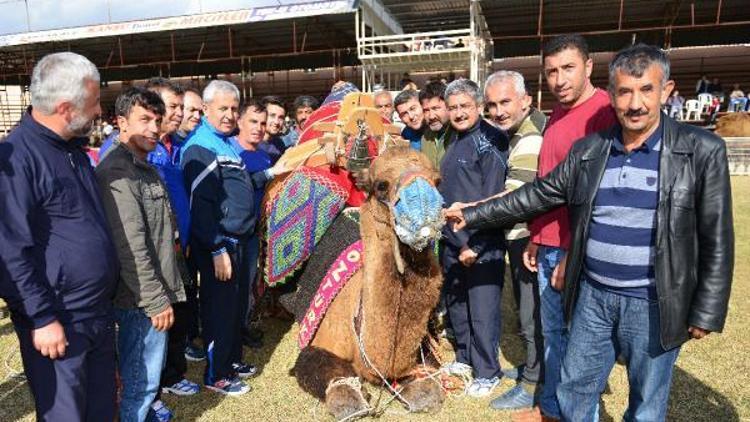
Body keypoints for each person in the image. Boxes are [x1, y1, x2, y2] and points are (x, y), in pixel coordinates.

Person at [447, 43, 734, 422]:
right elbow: (539, 193)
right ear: (611, 94)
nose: (634, 104)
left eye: (646, 90)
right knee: (575, 389)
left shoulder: (701, 149)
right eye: (625, 92)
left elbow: (716, 237)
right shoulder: (590, 149)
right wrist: (475, 212)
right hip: (593, 296)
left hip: (653, 300)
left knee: (647, 403)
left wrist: (708, 309)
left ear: (666, 91)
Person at [0, 52, 119, 422]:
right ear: (67, 108)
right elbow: (9, 249)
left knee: (101, 410)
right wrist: (41, 318)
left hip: (95, 313)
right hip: (59, 321)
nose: (100, 110)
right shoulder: (18, 159)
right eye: (95, 101)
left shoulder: (73, 152)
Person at [518, 34, 617, 420]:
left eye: (568, 68)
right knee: (554, 334)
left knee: (582, 345)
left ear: (589, 66)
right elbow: (549, 183)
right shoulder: (558, 111)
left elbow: (601, 196)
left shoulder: (603, 113)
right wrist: (536, 235)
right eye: (551, 71)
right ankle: (554, 408)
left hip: (576, 250)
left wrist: (573, 253)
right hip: (549, 243)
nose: (559, 79)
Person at [97, 87, 187, 422]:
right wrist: (155, 300)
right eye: (144, 120)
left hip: (151, 293)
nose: (153, 128)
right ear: (121, 122)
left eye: (157, 120)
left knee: (145, 382)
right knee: (140, 383)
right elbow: (130, 245)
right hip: (139, 300)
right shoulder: (117, 172)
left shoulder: (143, 167)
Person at [181, 80, 255, 395]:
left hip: (236, 241)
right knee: (218, 310)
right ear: (207, 109)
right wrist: (215, 248)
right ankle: (217, 375)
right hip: (220, 243)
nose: (229, 115)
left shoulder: (224, 143)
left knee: (234, 307)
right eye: (222, 108)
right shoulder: (201, 146)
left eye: (233, 109)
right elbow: (202, 206)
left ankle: (231, 359)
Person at [439, 79, 509, 398]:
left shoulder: (490, 141)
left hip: (481, 241)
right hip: (452, 240)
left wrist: (473, 245)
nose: (459, 112)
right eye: (452, 107)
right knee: (458, 306)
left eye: (465, 106)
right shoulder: (453, 140)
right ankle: (465, 358)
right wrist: (454, 241)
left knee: (482, 310)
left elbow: (494, 200)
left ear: (478, 106)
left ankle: (488, 371)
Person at [481, 70, 546, 410]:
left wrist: (470, 212)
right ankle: (535, 367)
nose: (498, 111)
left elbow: (513, 200)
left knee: (531, 313)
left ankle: (534, 383)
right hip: (525, 234)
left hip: (529, 238)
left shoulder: (531, 137)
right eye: (492, 104)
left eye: (505, 101)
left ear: (526, 100)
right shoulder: (521, 131)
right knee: (527, 309)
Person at [231, 99, 291, 349]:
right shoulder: (231, 151)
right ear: (240, 122)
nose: (259, 127)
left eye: (262, 123)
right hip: (234, 232)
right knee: (232, 286)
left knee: (247, 282)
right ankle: (229, 333)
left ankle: (242, 327)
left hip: (255, 230)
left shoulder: (265, 155)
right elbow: (243, 184)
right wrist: (270, 173)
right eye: (253, 122)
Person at [418, 81, 453, 170]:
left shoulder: (460, 135)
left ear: (448, 106)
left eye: (436, 108)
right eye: (426, 110)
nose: (431, 116)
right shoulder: (425, 138)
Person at [259, 95, 288, 163]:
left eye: (281, 117)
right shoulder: (250, 144)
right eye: (272, 116)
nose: (276, 122)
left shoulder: (279, 143)